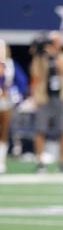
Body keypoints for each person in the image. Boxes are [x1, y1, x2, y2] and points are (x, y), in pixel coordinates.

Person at [30, 31, 63, 172]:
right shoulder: (41, 57)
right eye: (52, 42)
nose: (54, 44)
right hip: (44, 97)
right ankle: (40, 163)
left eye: (56, 41)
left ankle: (61, 163)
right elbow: (34, 73)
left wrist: (54, 55)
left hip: (60, 97)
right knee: (40, 130)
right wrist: (38, 53)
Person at [0, 39, 15, 173]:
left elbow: (10, 82)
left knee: (4, 131)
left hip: (4, 99)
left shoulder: (9, 64)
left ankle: (1, 161)